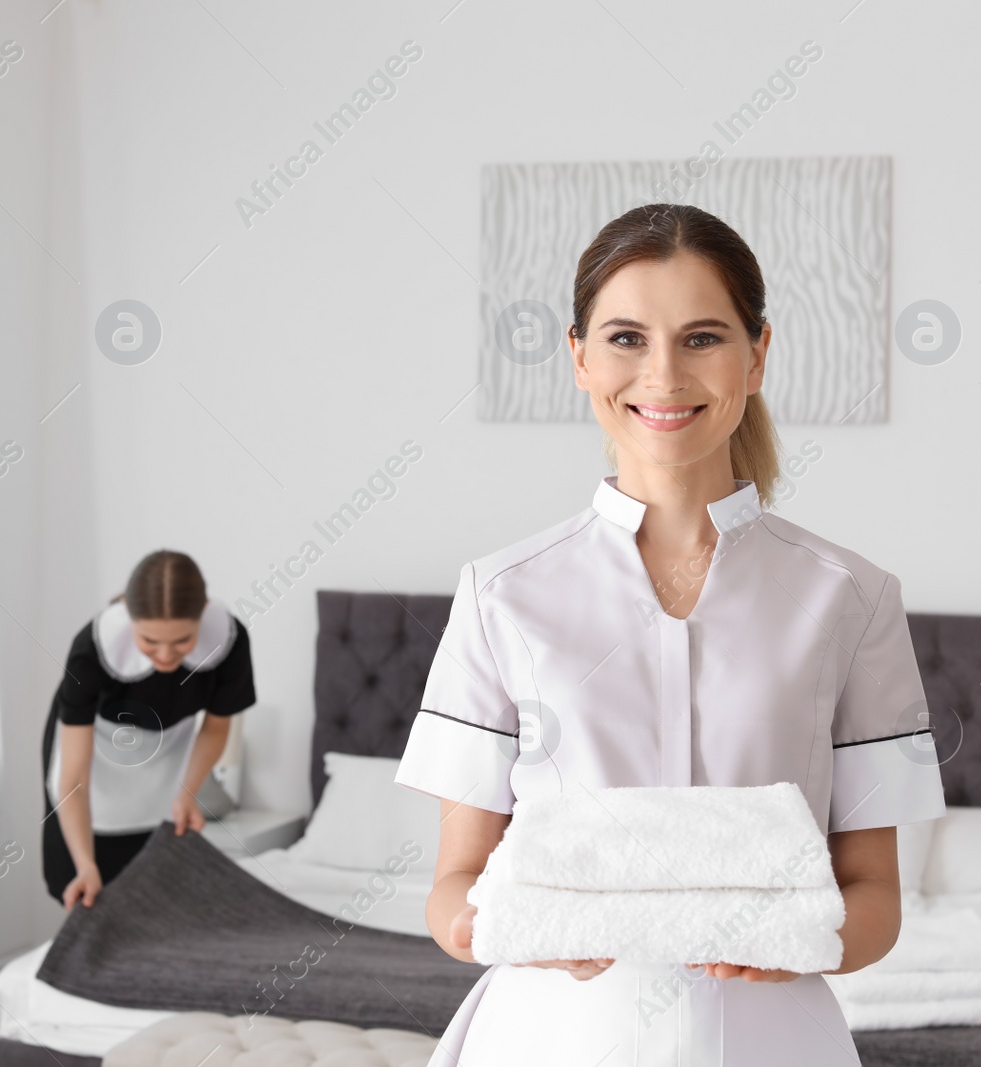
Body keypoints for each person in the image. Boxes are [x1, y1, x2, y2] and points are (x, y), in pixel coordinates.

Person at [394, 203, 946, 1065]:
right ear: (579, 357)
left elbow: (874, 896)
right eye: (625, 338)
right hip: (551, 1036)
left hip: (773, 1039)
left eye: (701, 338)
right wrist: (510, 926)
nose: (663, 373)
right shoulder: (502, 594)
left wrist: (800, 940)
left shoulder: (852, 598)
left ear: (757, 354)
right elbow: (452, 888)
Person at [41, 550, 255, 910]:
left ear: (203, 612)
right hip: (92, 758)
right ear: (128, 614)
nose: (167, 656)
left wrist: (187, 794)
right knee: (89, 890)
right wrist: (85, 865)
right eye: (150, 642)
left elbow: (217, 728)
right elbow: (74, 777)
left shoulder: (229, 643)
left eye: (182, 641)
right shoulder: (91, 651)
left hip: (168, 751)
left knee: (152, 888)